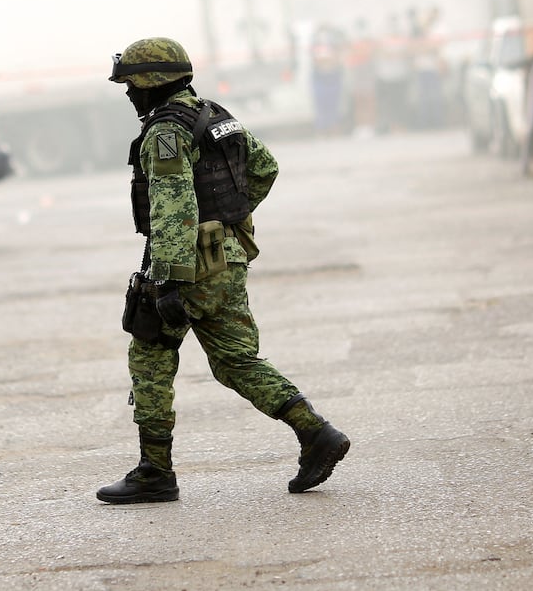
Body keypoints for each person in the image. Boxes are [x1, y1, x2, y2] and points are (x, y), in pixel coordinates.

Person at [97, 37, 350, 504]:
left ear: (153, 83)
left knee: (150, 355)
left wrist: (168, 280)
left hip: (187, 265)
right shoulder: (214, 115)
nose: (129, 94)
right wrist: (227, 221)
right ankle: (316, 433)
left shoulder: (166, 131)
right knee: (236, 360)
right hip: (226, 260)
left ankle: (155, 471)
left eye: (132, 85)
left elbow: (174, 208)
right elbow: (265, 168)